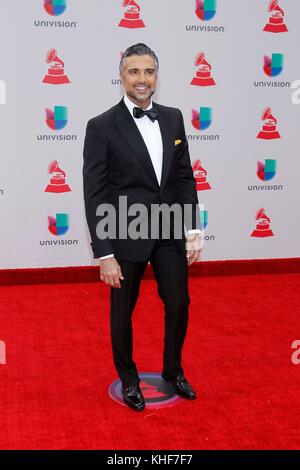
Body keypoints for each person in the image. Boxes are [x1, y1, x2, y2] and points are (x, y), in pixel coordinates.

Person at [83, 43, 202, 412]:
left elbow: (184, 178)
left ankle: (173, 370)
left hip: (168, 230)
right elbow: (95, 193)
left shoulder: (173, 117)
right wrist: (105, 253)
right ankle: (130, 378)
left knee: (180, 302)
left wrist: (192, 230)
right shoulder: (101, 126)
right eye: (134, 72)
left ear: (156, 76)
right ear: (122, 76)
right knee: (123, 311)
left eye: (148, 72)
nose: (141, 79)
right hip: (125, 232)